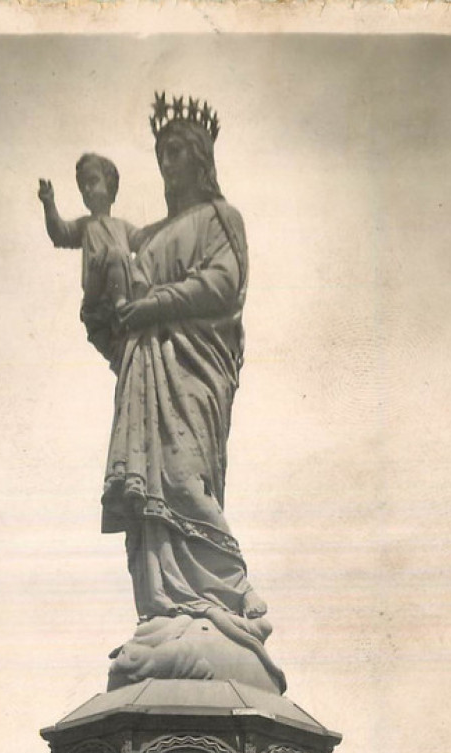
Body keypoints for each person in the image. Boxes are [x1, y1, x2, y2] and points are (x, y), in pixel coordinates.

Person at [98, 96, 278, 682]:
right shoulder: (145, 236)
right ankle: (167, 607)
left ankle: (234, 592)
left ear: (200, 159)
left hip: (195, 366)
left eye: (176, 151)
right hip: (147, 370)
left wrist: (150, 306)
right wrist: (107, 311)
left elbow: (223, 288)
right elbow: (115, 321)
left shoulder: (220, 219)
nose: (166, 163)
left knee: (182, 478)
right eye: (160, 153)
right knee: (149, 496)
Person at [38, 153, 145, 362]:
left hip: (119, 289)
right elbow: (60, 232)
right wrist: (49, 204)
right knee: (114, 254)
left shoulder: (121, 226)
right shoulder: (85, 225)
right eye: (82, 187)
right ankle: (121, 304)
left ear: (111, 185)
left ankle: (124, 303)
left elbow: (143, 240)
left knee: (124, 261)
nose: (87, 190)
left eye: (92, 182)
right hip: (96, 290)